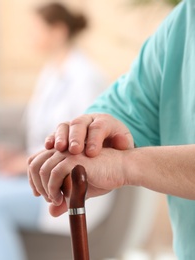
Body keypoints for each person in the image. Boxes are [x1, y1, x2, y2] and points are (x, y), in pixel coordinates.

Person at [28, 1, 195, 259]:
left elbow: (122, 161)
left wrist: (126, 164)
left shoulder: (82, 73)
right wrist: (87, 136)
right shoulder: (185, 20)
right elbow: (123, 106)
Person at [0, 3, 114, 260]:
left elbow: (85, 145)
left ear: (58, 31)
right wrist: (17, 156)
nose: (29, 36)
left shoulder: (86, 78)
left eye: (35, 29)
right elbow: (41, 134)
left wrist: (24, 163)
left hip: (67, 185)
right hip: (40, 174)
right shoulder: (51, 74)